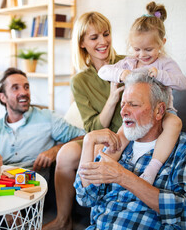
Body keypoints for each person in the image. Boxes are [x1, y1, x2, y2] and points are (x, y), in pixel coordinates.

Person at [75, 71, 186, 229]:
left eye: (133, 104)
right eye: (123, 104)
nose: (123, 111)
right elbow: (85, 198)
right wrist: (89, 142)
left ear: (159, 111)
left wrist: (123, 177)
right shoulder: (119, 144)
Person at [43, 12, 125, 230]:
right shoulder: (80, 81)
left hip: (124, 134)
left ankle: (101, 222)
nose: (103, 42)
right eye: (94, 37)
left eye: (106, 34)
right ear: (82, 43)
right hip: (97, 132)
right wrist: (112, 98)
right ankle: (63, 220)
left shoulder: (126, 64)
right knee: (66, 153)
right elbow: (93, 128)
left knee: (98, 149)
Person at [98, 1, 186, 184]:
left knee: (175, 124)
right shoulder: (130, 62)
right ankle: (103, 164)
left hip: (164, 113)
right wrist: (121, 73)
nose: (142, 55)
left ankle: (151, 169)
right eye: (137, 49)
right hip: (137, 116)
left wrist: (161, 75)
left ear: (162, 43)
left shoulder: (164, 63)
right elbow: (103, 71)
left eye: (148, 49)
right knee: (122, 133)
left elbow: (183, 83)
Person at [0, 68, 85, 180]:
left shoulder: (48, 118)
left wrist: (56, 150)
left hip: (34, 188)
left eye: (26, 87)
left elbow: (84, 137)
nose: (24, 92)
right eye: (16, 88)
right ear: (3, 97)